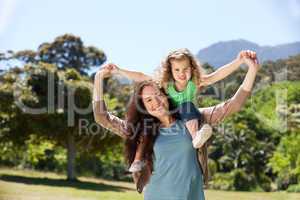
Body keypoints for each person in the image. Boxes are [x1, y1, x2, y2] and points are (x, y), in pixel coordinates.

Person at [92, 55, 259, 199]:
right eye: (148, 100)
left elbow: (233, 105)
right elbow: (102, 117)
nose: (155, 102)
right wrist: (99, 78)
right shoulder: (141, 131)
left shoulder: (193, 118)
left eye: (158, 95)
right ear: (143, 106)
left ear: (165, 95)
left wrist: (252, 69)